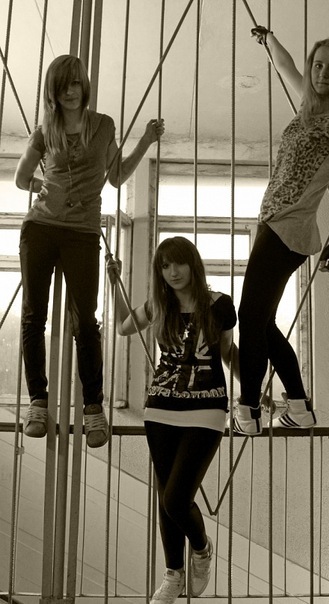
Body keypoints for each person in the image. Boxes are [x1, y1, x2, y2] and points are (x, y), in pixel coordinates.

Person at [15, 54, 164, 448]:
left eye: (76, 82)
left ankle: (93, 408)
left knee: (85, 322)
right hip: (41, 228)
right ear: (53, 90)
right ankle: (37, 401)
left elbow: (116, 176)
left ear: (84, 85)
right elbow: (21, 178)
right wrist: (44, 188)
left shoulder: (102, 126)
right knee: (33, 315)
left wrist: (146, 141)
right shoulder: (45, 131)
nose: (70, 91)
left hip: (82, 233)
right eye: (62, 84)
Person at [233, 29, 329, 435]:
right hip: (273, 222)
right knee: (261, 322)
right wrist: (269, 40)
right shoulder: (309, 108)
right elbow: (287, 67)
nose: (322, 74)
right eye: (318, 65)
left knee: (249, 317)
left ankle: (248, 411)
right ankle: (298, 406)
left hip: (289, 227)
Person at [107, 236, 239, 604]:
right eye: (165, 266)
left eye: (178, 263)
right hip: (160, 409)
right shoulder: (158, 305)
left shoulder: (219, 304)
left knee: (177, 497)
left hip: (208, 408)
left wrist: (254, 391)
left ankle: (201, 548)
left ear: (193, 264)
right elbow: (123, 327)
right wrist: (114, 282)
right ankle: (173, 575)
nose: (173, 271)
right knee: (166, 497)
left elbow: (227, 352)